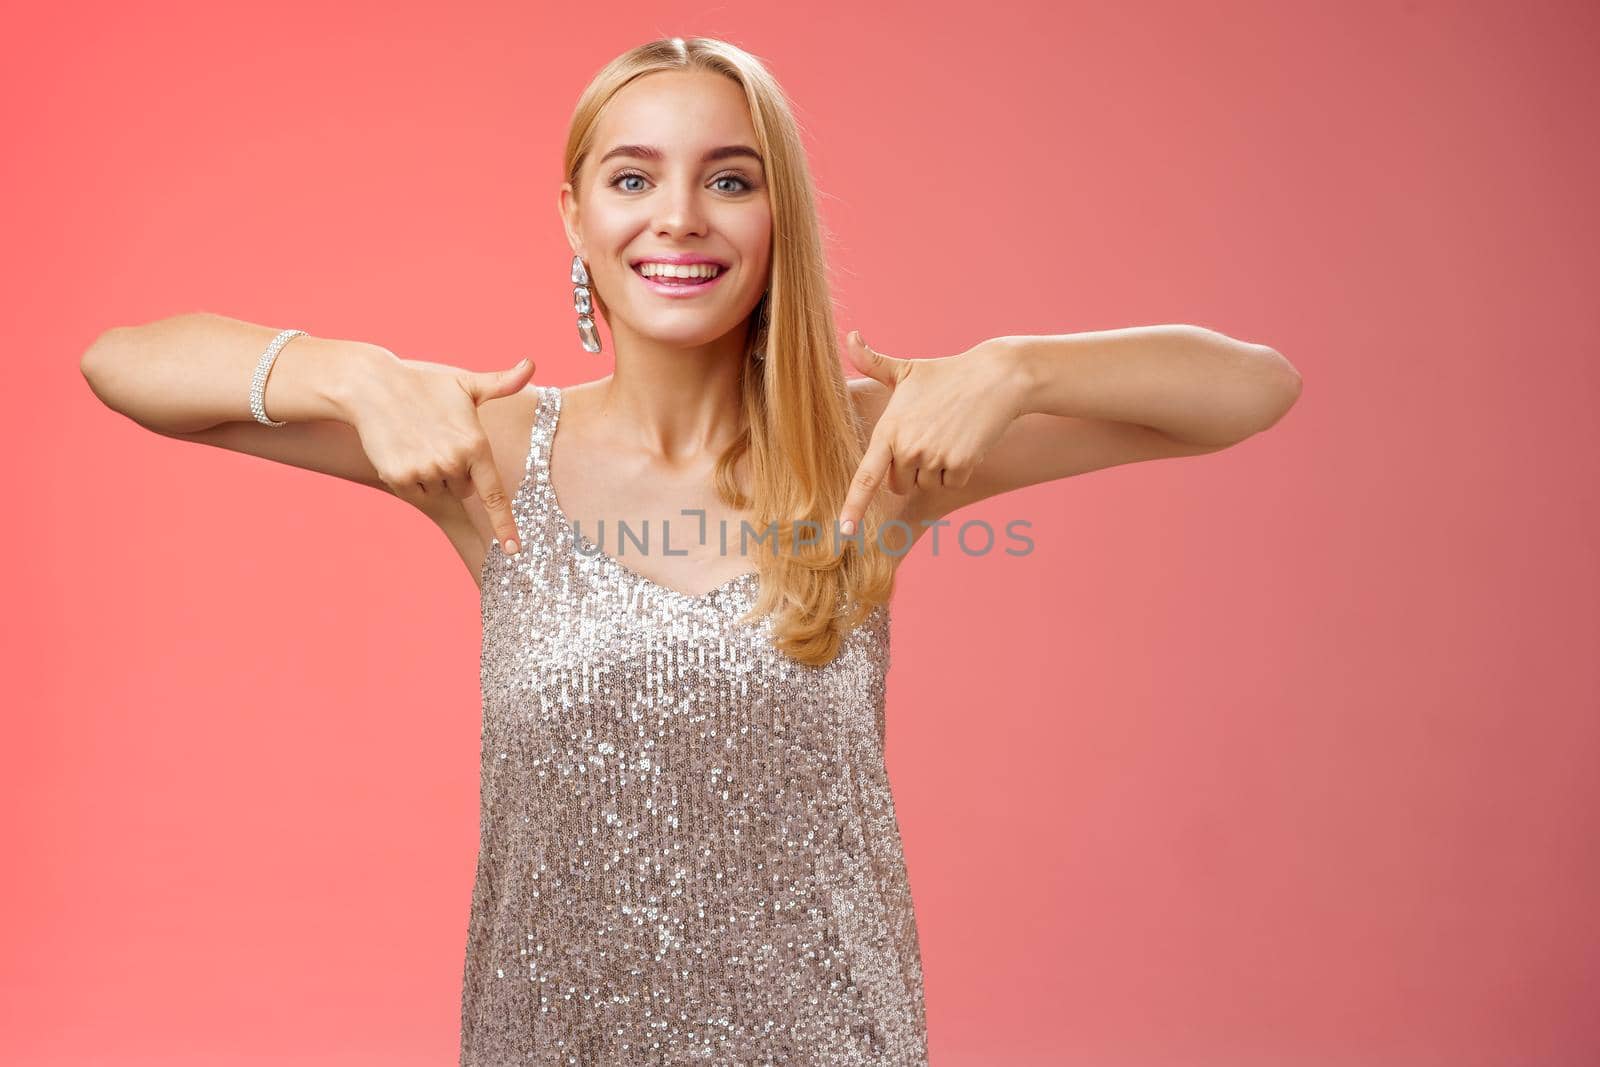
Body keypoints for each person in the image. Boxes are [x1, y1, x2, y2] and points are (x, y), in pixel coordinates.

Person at [79, 34, 1301, 1067]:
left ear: (780, 217)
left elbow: (1250, 387)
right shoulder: (486, 451)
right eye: (630, 178)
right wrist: (340, 369)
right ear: (574, 214)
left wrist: (1018, 365)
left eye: (729, 179)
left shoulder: (876, 455)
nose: (677, 217)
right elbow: (126, 364)